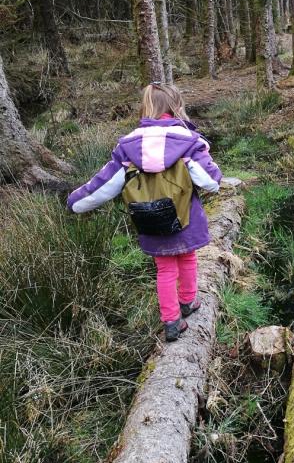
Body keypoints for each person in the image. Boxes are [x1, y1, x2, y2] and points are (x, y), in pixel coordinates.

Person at [67, 83, 222, 342]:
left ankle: (171, 322)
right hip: (186, 218)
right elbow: (209, 181)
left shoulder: (128, 146)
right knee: (188, 258)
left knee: (164, 270)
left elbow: (103, 185)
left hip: (149, 219)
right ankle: (188, 301)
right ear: (176, 107)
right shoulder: (189, 142)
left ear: (147, 106)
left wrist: (75, 202)